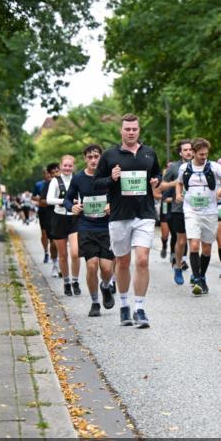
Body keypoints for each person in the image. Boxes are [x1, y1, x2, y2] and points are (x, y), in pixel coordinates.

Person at [94, 113, 161, 328]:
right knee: (122, 262)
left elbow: (157, 174)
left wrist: (156, 180)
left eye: (134, 129)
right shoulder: (109, 155)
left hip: (144, 214)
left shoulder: (149, 153)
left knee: (142, 259)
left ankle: (139, 308)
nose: (131, 132)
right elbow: (96, 183)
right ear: (121, 131)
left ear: (139, 130)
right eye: (127, 129)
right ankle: (124, 304)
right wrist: (111, 178)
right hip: (119, 215)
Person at [64, 144, 115, 316]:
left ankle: (106, 286)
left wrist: (112, 206)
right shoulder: (78, 178)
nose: (93, 160)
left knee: (107, 269)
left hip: (107, 227)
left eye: (96, 156)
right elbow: (67, 199)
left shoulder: (109, 176)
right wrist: (73, 207)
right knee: (92, 266)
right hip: (86, 227)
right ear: (85, 159)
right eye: (90, 157)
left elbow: (120, 196)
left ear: (101, 157)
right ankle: (94, 302)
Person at [175, 138, 221, 295]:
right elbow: (179, 182)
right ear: (192, 152)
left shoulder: (213, 167)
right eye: (200, 154)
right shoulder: (184, 168)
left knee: (206, 248)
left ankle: (202, 276)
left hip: (210, 212)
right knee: (194, 244)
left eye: (206, 154)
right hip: (191, 211)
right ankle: (197, 279)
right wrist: (179, 194)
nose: (203, 157)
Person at [158, 140, 194, 284]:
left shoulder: (201, 166)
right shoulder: (173, 167)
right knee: (180, 240)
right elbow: (161, 186)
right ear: (180, 152)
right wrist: (177, 182)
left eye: (191, 149)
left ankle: (196, 272)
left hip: (197, 208)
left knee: (195, 242)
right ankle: (178, 265)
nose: (189, 152)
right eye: (185, 150)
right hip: (178, 209)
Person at [47, 155, 82, 296]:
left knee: (75, 253)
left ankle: (75, 281)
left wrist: (78, 203)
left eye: (70, 166)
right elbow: (49, 200)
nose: (67, 168)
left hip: (74, 219)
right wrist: (65, 201)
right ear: (61, 166)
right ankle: (66, 282)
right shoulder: (55, 181)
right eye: (65, 165)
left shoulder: (78, 180)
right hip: (59, 219)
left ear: (73, 166)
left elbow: (82, 196)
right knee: (62, 255)